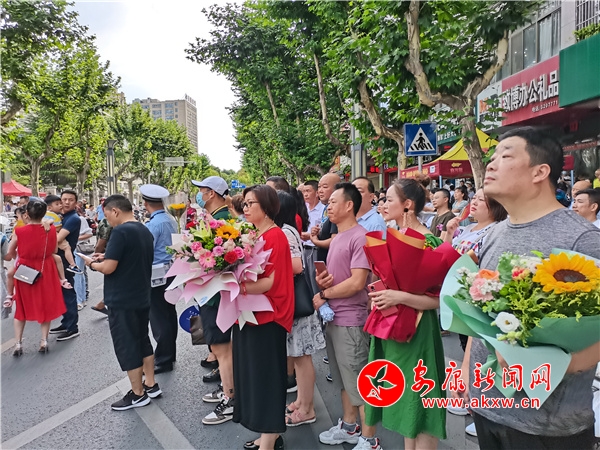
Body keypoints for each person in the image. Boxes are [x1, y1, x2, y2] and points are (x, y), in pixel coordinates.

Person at [455, 127, 600, 448]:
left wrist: (542, 365)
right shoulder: (495, 233)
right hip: (488, 407)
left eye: (505, 156)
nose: (491, 164)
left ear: (540, 172)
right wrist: (467, 369)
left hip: (546, 426)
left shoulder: (581, 239)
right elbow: (480, 313)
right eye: (492, 157)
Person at [365, 179, 447, 450]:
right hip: (391, 326)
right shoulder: (395, 236)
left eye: (389, 199)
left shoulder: (428, 242)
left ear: (407, 205)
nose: (383, 204)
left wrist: (398, 297)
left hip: (418, 331)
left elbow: (438, 300)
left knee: (420, 400)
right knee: (402, 396)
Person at [312, 183, 382, 450]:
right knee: (344, 380)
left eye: (333, 201)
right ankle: (350, 427)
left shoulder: (359, 237)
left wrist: (325, 293)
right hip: (334, 318)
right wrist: (324, 283)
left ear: (349, 205)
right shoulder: (339, 236)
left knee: (361, 382)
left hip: (351, 321)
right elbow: (340, 277)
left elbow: (356, 283)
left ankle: (370, 440)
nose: (328, 206)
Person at [81, 194, 160, 410]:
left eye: (107, 216)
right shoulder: (143, 229)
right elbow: (128, 257)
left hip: (122, 298)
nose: (107, 220)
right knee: (142, 339)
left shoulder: (120, 232)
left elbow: (109, 268)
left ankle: (138, 394)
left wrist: (91, 263)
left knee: (127, 345)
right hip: (141, 295)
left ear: (115, 211)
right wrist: (104, 258)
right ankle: (151, 383)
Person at [237, 185, 294, 450]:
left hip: (268, 317)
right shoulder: (252, 234)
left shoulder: (275, 236)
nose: (246, 208)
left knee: (267, 377)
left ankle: (269, 441)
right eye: (245, 203)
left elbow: (270, 282)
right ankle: (267, 435)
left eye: (251, 203)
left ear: (267, 206)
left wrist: (236, 287)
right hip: (250, 314)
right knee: (254, 376)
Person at [274, 190, 326, 429]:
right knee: (297, 356)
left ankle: (307, 409)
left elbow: (296, 266)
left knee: (302, 357)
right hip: (293, 302)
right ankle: (301, 401)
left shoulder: (285, 231)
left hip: (296, 303)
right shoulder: (286, 229)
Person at [191, 176, 236, 423]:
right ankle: (228, 389)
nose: (199, 195)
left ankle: (231, 399)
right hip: (213, 293)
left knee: (221, 347)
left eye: (202, 191)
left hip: (216, 295)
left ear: (212, 193)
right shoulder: (215, 218)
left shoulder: (222, 221)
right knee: (221, 347)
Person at [3, 200, 66, 355]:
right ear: (44, 213)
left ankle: (18, 344)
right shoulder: (50, 229)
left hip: (25, 270)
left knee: (22, 307)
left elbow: (10, 253)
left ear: (27, 214)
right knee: (44, 305)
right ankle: (43, 341)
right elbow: (54, 250)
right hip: (46, 269)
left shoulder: (19, 231)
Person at [140, 184, 178, 374]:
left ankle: (163, 359)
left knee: (158, 317)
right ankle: (169, 353)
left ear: (145, 203)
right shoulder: (170, 219)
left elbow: (146, 249)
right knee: (169, 314)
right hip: (170, 271)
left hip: (156, 275)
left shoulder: (153, 224)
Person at [49, 190, 81, 341]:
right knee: (62, 292)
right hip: (58, 258)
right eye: (64, 199)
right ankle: (66, 322)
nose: (66, 202)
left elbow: (57, 239)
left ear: (76, 202)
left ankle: (72, 327)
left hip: (65, 261)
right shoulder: (61, 216)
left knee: (67, 291)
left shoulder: (73, 218)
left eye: (70, 200)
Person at [442, 188, 508, 258]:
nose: (474, 202)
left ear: (496, 206)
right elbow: (445, 253)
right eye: (473, 198)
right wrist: (449, 234)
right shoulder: (468, 228)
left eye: (481, 199)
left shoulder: (496, 232)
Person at [300, 180, 325, 295]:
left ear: (316, 193)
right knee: (306, 282)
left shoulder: (323, 209)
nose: (305, 194)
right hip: (304, 248)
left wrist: (310, 236)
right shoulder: (303, 208)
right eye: (304, 191)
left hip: (316, 249)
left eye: (308, 191)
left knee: (316, 281)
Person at [310, 173, 342, 263]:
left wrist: (315, 241)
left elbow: (335, 240)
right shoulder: (326, 208)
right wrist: (318, 232)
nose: (320, 191)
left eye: (325, 187)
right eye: (319, 187)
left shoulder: (337, 210)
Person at [90, 214, 112, 315]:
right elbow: (101, 242)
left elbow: (101, 242)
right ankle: (104, 304)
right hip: (108, 255)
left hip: (109, 255)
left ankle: (104, 304)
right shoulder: (107, 221)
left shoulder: (107, 221)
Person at [74, 208, 93, 310]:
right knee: (77, 274)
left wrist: (75, 238)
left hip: (77, 248)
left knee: (78, 274)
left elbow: (89, 233)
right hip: (69, 249)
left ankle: (80, 300)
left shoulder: (80, 219)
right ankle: (81, 299)